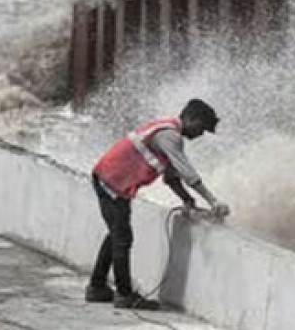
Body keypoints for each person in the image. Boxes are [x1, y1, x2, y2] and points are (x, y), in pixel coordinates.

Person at [87, 99, 229, 309]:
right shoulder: (170, 136)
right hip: (113, 182)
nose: (200, 135)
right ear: (190, 118)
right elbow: (186, 171)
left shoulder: (165, 131)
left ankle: (97, 287)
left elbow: (171, 178)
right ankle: (124, 295)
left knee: (116, 234)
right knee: (122, 238)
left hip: (109, 178)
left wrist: (188, 200)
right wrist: (213, 201)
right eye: (201, 128)